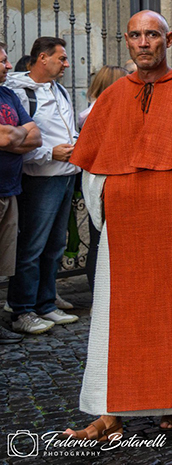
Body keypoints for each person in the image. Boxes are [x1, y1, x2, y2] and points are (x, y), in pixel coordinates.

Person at [65, 10, 172, 439]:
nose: (143, 43)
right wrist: (120, 198)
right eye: (135, 35)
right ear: (126, 41)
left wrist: (165, 200)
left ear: (169, 39)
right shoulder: (112, 98)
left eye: (152, 35)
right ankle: (110, 412)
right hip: (124, 231)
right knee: (114, 320)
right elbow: (94, 169)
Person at [5, 37, 81, 334]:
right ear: (42, 59)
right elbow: (18, 143)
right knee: (32, 246)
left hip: (65, 175)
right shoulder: (20, 92)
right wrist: (49, 153)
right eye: (61, 58)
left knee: (55, 245)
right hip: (39, 180)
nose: (67, 64)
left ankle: (46, 303)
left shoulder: (58, 88)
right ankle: (22, 308)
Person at [0, 41, 42, 343]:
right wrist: (17, 135)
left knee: (3, 264)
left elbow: (35, 136)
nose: (8, 66)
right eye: (2, 61)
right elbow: (9, 136)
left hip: (9, 188)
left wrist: (11, 136)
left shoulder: (8, 95)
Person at [77, 66, 128, 292]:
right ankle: (100, 293)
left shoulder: (93, 112)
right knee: (100, 240)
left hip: (105, 180)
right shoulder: (97, 114)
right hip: (103, 182)